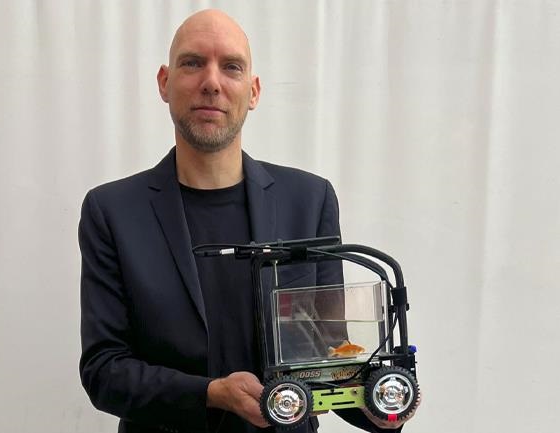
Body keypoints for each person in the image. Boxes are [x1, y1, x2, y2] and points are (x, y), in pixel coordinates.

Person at [79, 9, 415, 433]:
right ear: (164, 82)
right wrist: (211, 393)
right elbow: (104, 371)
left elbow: (329, 356)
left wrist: (381, 404)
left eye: (231, 67)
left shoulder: (309, 201)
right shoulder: (112, 212)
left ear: (253, 91)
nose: (212, 82)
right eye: (193, 63)